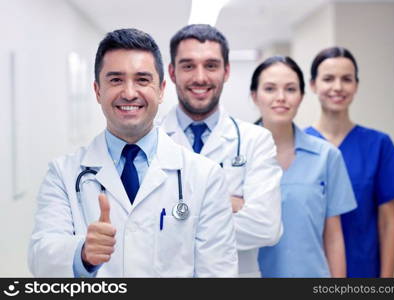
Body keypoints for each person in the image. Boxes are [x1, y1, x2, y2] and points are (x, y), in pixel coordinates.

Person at [28, 28, 238, 277]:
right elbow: (40, 259)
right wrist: (82, 254)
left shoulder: (205, 175)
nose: (129, 93)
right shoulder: (63, 174)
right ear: (97, 91)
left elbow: (218, 273)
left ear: (160, 90)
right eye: (116, 80)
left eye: (142, 80)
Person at [160, 24, 282, 277]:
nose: (200, 77)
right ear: (172, 72)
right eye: (188, 65)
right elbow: (138, 228)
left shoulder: (256, 141)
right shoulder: (149, 140)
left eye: (211, 65)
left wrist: (175, 215)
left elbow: (266, 227)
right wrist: (223, 205)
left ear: (226, 71)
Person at [305, 46, 394, 277]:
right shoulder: (299, 146)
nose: (338, 87)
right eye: (328, 79)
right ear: (313, 85)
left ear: (356, 85)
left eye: (346, 79)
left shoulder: (378, 145)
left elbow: (388, 223)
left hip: (363, 272)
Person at [250, 56, 356, 277]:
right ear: (254, 96)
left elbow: (334, 237)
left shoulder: (327, 156)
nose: (281, 98)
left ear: (301, 96)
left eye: (290, 89)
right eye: (270, 89)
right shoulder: (235, 155)